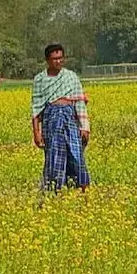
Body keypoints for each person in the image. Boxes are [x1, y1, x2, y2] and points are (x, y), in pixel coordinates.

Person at [31, 43, 91, 193]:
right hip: (51, 122)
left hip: (70, 120)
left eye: (61, 58)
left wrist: (85, 127)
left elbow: (79, 102)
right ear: (47, 60)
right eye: (54, 59)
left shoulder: (71, 77)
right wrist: (36, 133)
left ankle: (82, 190)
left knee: (77, 156)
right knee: (54, 157)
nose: (58, 61)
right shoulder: (40, 80)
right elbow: (36, 107)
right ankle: (55, 191)